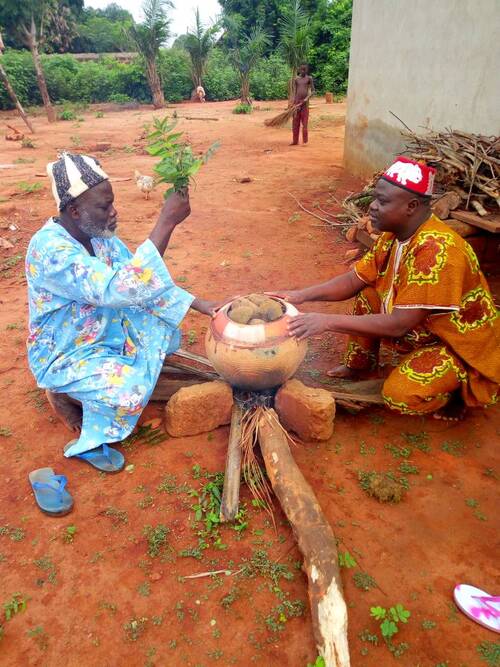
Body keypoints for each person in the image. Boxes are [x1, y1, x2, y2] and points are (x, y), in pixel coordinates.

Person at [26, 152, 217, 469]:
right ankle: (63, 394)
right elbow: (120, 287)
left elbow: (139, 278)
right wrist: (166, 221)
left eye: (112, 203)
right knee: (129, 390)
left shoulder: (99, 238)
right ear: (74, 210)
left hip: (103, 334)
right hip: (65, 353)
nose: (114, 213)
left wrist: (201, 304)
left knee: (167, 334)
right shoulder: (50, 250)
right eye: (104, 207)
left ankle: (93, 384)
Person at [275, 156, 499, 420]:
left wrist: (325, 321)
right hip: (423, 327)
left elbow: (398, 325)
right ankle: (360, 366)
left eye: (383, 201)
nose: (373, 207)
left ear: (411, 206)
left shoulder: (439, 251)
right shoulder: (394, 235)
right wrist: (300, 295)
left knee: (399, 396)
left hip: (455, 344)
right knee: (368, 295)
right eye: (375, 199)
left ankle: (458, 388)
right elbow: (352, 281)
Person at [291, 64, 314, 146]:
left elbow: (313, 91)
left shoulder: (309, 78)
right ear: (299, 70)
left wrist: (307, 98)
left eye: (305, 70)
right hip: (297, 103)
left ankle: (305, 141)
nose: (303, 71)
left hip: (304, 104)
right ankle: (295, 141)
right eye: (302, 70)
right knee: (295, 123)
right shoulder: (296, 79)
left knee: (305, 123)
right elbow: (294, 92)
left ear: (307, 70)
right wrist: (293, 102)